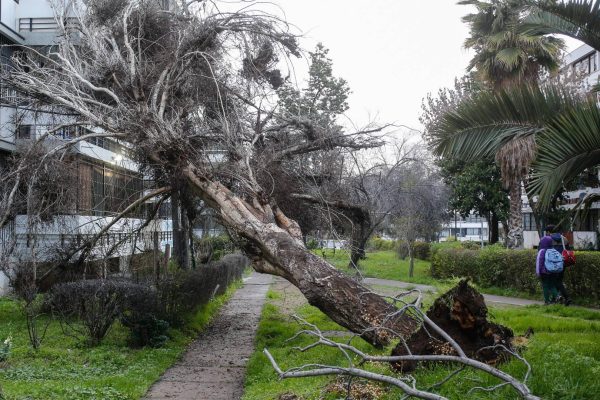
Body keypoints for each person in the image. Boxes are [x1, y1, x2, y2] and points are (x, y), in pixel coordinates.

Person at [544, 225, 573, 306]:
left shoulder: (548, 239)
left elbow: (545, 251)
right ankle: (556, 299)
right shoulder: (564, 239)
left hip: (552, 263)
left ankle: (566, 298)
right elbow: (568, 250)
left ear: (549, 232)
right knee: (558, 281)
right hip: (562, 262)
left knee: (554, 282)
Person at [536, 236, 559, 304]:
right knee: (552, 285)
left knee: (545, 286)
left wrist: (538, 272)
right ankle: (558, 296)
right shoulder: (554, 250)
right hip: (553, 270)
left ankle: (547, 301)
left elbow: (539, 262)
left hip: (544, 272)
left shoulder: (542, 251)